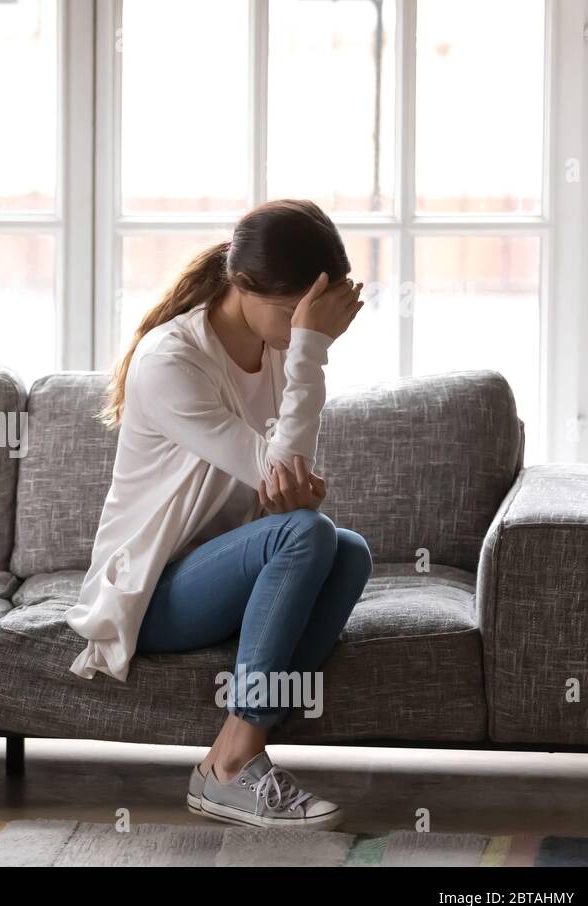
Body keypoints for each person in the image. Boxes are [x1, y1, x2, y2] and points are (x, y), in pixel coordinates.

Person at [66, 199, 372, 830]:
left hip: (219, 580)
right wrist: (311, 346)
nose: (300, 327)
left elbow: (282, 487)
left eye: (310, 317)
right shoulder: (171, 360)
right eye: (292, 312)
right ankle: (232, 769)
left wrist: (299, 348)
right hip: (148, 594)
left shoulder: (278, 349)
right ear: (243, 285)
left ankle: (235, 748)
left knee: (347, 551)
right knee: (309, 533)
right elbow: (278, 478)